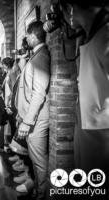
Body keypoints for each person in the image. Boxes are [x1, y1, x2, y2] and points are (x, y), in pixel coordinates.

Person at [61, 0, 109, 188]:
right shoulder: (91, 33)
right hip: (89, 126)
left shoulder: (105, 35)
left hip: (102, 132)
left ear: (70, 9)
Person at [15, 21, 50, 199]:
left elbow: (39, 93)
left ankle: (42, 193)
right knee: (35, 159)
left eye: (28, 35)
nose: (26, 38)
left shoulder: (41, 56)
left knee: (39, 160)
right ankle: (37, 187)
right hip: (31, 118)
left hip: (36, 119)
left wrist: (28, 121)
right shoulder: (36, 55)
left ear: (34, 36)